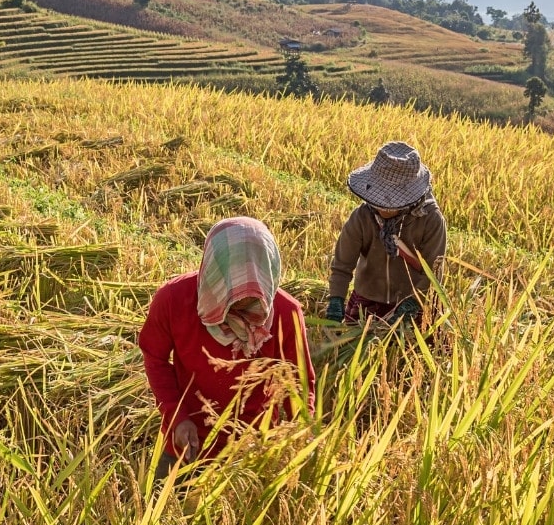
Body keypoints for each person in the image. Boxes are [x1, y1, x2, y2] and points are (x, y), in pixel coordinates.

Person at [138, 216, 316, 480]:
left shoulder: (286, 313)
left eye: (251, 300)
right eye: (231, 297)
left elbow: (297, 382)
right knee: (163, 514)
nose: (242, 307)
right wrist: (177, 415)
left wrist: (298, 437)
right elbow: (155, 359)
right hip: (187, 443)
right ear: (213, 273)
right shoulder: (174, 300)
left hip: (255, 451)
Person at [325, 141, 446, 327]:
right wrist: (336, 299)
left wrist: (414, 302)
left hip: (412, 305)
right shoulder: (362, 218)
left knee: (406, 355)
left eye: (390, 203)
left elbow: (434, 271)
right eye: (379, 201)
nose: (383, 208)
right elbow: (342, 265)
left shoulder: (430, 220)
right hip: (367, 303)